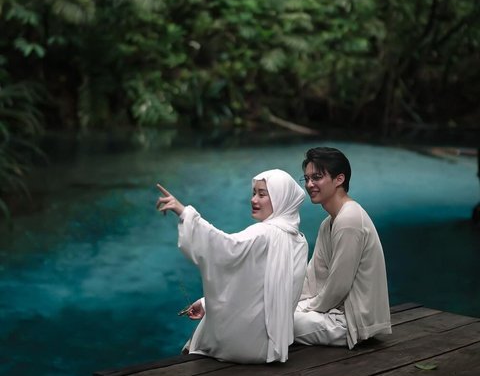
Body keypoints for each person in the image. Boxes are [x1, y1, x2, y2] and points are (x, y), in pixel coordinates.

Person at [156, 169, 308, 364]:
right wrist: (205, 303)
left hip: (246, 347)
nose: (254, 200)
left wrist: (184, 212)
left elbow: (224, 247)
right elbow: (258, 287)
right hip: (275, 344)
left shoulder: (263, 233)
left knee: (202, 335)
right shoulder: (299, 241)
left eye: (262, 194)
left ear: (281, 198)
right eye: (254, 193)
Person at [294, 147, 391, 349]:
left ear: (339, 179)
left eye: (317, 177)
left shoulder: (349, 220)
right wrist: (290, 301)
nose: (310, 184)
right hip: (333, 312)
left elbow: (338, 286)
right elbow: (313, 277)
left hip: (352, 322)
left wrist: (301, 309)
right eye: (307, 178)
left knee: (277, 322)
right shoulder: (327, 223)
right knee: (273, 312)